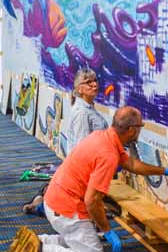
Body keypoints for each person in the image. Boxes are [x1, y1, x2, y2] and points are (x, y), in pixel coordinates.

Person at [5, 106, 168, 252]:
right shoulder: (108, 155)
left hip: (55, 200)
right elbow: (92, 201)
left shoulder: (103, 137)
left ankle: (39, 240)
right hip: (66, 210)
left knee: (84, 240)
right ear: (132, 130)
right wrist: (107, 230)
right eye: (140, 126)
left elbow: (131, 163)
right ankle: (39, 250)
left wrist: (164, 171)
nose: (141, 130)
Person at [22, 68, 108, 215]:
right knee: (68, 206)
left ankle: (41, 199)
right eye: (88, 82)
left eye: (95, 81)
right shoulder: (82, 112)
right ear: (79, 89)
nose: (94, 84)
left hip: (84, 168)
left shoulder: (87, 107)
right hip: (83, 169)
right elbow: (82, 147)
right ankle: (39, 204)